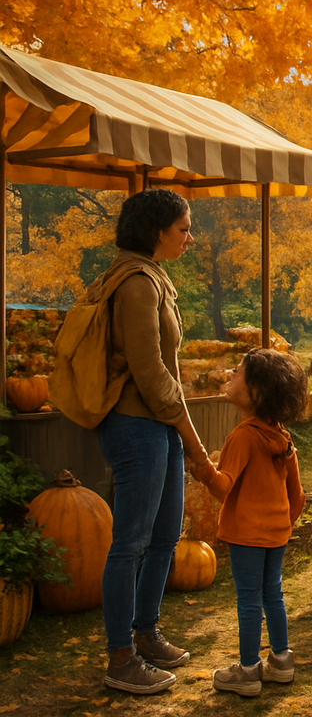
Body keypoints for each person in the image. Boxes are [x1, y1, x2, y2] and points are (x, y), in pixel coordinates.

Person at [91, 189, 209, 694]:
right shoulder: (134, 282)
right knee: (131, 542)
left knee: (165, 536)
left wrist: (179, 432)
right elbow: (152, 372)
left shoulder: (153, 275)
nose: (189, 236)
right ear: (158, 229)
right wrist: (195, 441)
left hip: (160, 424)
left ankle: (146, 631)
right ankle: (121, 657)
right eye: (183, 228)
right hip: (136, 423)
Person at [190, 349, 307, 697]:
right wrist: (280, 525)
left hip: (246, 534)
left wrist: (203, 470)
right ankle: (282, 661)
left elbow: (224, 487)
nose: (229, 373)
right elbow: (297, 497)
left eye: (237, 371)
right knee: (274, 593)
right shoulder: (282, 438)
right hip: (276, 534)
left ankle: (247, 670)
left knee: (248, 601)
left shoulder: (242, 436)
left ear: (256, 390)